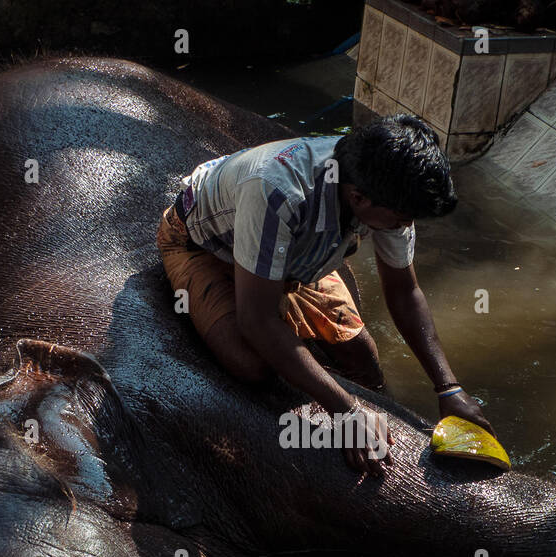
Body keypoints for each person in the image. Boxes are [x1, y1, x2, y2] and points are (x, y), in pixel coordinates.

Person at [155, 113, 494, 474]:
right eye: (400, 218)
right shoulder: (278, 190)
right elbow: (257, 319)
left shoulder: (385, 189)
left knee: (362, 354)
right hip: (210, 247)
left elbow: (404, 290)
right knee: (252, 364)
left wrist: (448, 388)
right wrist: (346, 411)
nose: (405, 226)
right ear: (358, 198)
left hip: (296, 257)